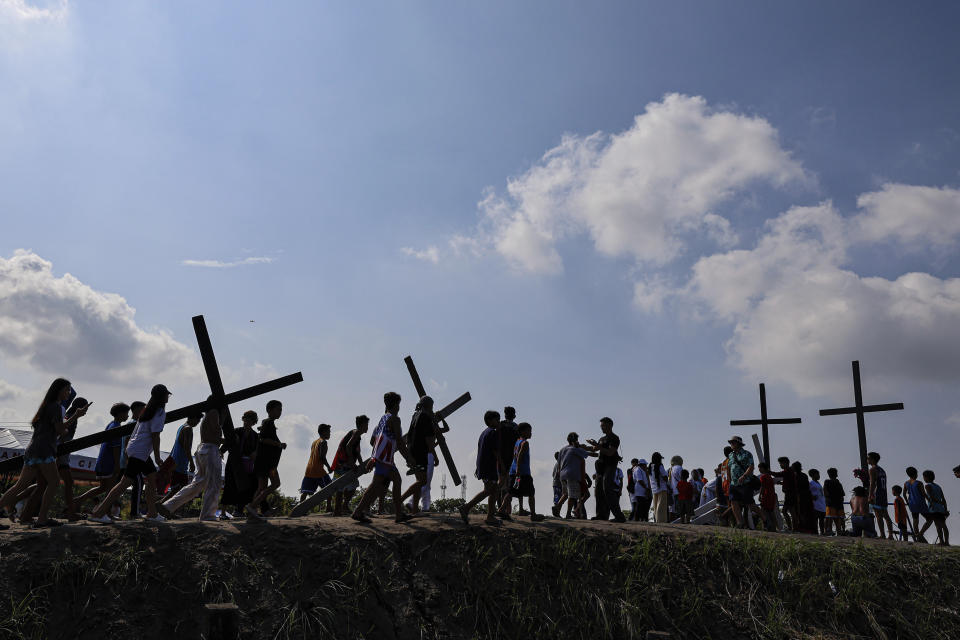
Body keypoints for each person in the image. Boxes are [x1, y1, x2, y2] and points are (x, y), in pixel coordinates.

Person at [0, 379, 88, 528]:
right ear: (59, 390)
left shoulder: (46, 405)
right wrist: (76, 416)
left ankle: (36, 517)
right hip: (45, 449)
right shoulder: (55, 407)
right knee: (53, 482)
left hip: (33, 448)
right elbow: (60, 430)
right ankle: (42, 519)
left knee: (20, 486)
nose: (68, 393)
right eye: (67, 389)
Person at [88, 384, 172, 523]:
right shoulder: (159, 412)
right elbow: (155, 435)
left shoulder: (147, 410)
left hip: (137, 449)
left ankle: (152, 512)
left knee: (151, 478)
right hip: (141, 452)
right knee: (123, 483)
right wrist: (157, 456)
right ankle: (99, 513)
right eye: (167, 395)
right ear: (162, 396)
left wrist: (128, 450)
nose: (168, 397)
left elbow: (136, 431)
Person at [352, 393, 413, 524]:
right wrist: (409, 458)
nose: (399, 407)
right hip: (385, 458)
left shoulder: (383, 418)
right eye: (399, 404)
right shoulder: (395, 420)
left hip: (381, 458)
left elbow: (373, 440)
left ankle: (397, 514)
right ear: (396, 404)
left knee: (389, 482)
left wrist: (374, 456)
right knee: (381, 483)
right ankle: (397, 514)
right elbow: (400, 442)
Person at [159, 408, 226, 521]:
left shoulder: (206, 416)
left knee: (196, 484)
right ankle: (208, 514)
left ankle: (169, 506)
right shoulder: (214, 412)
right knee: (213, 484)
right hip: (209, 450)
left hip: (202, 450)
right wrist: (228, 440)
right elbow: (214, 435)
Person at [75, 403, 130, 510]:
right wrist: (117, 465)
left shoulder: (111, 424)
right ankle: (105, 513)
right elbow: (116, 449)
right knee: (111, 489)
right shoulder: (116, 427)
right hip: (109, 463)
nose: (127, 416)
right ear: (120, 414)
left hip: (103, 461)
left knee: (103, 488)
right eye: (126, 413)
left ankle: (79, 499)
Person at [459, 410, 505, 526]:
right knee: (489, 490)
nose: (498, 422)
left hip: (484, 465)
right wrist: (502, 467)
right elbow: (496, 452)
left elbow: (481, 450)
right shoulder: (492, 433)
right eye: (496, 419)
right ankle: (466, 507)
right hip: (489, 466)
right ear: (489, 420)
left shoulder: (484, 433)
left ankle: (490, 516)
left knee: (493, 490)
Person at [245, 400, 287, 520]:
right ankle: (252, 506)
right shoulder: (268, 423)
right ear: (269, 410)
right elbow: (263, 439)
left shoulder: (268, 423)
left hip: (263, 462)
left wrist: (278, 444)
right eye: (278, 409)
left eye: (281, 409)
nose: (280, 412)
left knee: (262, 487)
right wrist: (279, 444)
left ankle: (251, 512)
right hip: (268, 463)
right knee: (275, 483)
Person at [399, 397, 438, 514]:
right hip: (422, 452)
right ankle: (399, 500)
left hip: (413, 451)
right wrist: (434, 455)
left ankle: (415, 509)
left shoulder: (415, 415)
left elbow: (410, 436)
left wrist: (408, 454)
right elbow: (429, 439)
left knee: (419, 480)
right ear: (430, 405)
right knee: (422, 481)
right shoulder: (426, 417)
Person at [498, 422, 543, 522]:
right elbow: (519, 456)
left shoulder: (517, 442)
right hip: (523, 473)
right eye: (529, 431)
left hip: (513, 471)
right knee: (531, 492)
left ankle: (501, 509)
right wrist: (519, 470)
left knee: (511, 492)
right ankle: (533, 515)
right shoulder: (524, 443)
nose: (531, 433)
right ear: (523, 432)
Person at [220, 410, 259, 519]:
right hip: (233, 463)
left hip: (246, 465)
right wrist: (221, 451)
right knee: (229, 486)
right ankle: (223, 513)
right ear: (243, 419)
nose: (247, 421)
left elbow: (257, 450)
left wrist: (255, 453)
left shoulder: (255, 436)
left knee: (245, 487)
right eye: (246, 419)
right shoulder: (236, 431)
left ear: (254, 422)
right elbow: (228, 442)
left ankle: (239, 511)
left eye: (250, 420)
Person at [586, 417, 626, 522]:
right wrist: (583, 448)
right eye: (601, 426)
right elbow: (595, 450)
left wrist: (597, 446)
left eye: (603, 425)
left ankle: (619, 516)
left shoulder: (614, 438)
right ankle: (601, 515)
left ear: (610, 425)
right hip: (601, 467)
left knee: (607, 489)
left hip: (610, 466)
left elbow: (610, 452)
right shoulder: (601, 439)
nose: (601, 428)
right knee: (598, 491)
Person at [331, 415, 368, 516]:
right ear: (362, 425)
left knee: (348, 486)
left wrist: (362, 465)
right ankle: (339, 509)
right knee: (341, 486)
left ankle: (341, 508)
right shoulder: (355, 433)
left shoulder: (357, 435)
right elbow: (348, 446)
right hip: (342, 464)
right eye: (366, 424)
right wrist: (352, 463)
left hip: (344, 464)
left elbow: (357, 452)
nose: (367, 427)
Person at [554, 433, 597, 519]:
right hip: (572, 474)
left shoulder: (562, 449)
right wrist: (602, 454)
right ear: (575, 440)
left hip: (562, 474)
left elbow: (558, 463)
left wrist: (559, 473)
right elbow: (591, 454)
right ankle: (568, 514)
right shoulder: (574, 449)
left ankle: (558, 506)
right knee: (572, 495)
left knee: (566, 493)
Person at [119, 400, 147, 519]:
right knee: (139, 484)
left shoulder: (133, 423)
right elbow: (127, 442)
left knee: (119, 487)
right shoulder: (134, 423)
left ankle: (105, 511)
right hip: (130, 460)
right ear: (136, 410)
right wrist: (128, 459)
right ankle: (134, 512)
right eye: (143, 409)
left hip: (128, 460)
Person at [299, 424, 333, 509]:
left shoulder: (315, 442)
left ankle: (299, 507)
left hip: (309, 470)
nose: (330, 434)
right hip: (318, 471)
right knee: (330, 488)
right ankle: (328, 507)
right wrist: (329, 467)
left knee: (305, 492)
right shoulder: (323, 442)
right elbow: (322, 457)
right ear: (324, 432)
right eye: (329, 432)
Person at [167, 414, 201, 496]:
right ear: (192, 418)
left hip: (176, 464)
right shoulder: (188, 429)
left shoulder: (181, 427)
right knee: (180, 494)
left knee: (176, 492)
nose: (198, 423)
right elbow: (186, 447)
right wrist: (192, 463)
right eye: (197, 420)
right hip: (180, 466)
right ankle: (161, 506)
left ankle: (161, 505)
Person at [726, 436, 755, 529]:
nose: (731, 444)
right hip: (734, 483)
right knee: (733, 502)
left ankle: (765, 520)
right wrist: (730, 481)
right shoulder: (731, 455)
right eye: (730, 443)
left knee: (750, 504)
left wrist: (744, 476)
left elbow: (751, 466)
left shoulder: (747, 454)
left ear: (738, 443)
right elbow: (729, 468)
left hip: (745, 483)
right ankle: (740, 522)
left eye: (733, 442)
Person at [867, 452, 893, 540]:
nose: (867, 460)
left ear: (873, 459)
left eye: (868, 458)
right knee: (886, 515)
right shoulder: (881, 469)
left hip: (877, 494)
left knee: (878, 515)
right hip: (883, 493)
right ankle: (891, 535)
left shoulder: (872, 469)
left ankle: (882, 534)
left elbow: (872, 483)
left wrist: (870, 495)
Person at [497, 407, 519, 513]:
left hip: (499, 458)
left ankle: (501, 508)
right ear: (514, 415)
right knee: (510, 486)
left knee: (501, 484)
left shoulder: (499, 425)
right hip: (512, 459)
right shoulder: (516, 428)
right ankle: (506, 510)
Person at [904, 467, 932, 543]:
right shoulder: (919, 483)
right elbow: (923, 493)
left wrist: (907, 502)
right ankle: (920, 534)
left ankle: (917, 537)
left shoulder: (906, 483)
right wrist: (930, 500)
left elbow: (904, 494)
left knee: (915, 521)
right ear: (915, 474)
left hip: (912, 504)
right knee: (930, 519)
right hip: (920, 503)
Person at [923, 470, 949, 546]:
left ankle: (941, 541)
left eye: (924, 477)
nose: (924, 479)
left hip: (934, 508)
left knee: (938, 525)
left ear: (927, 477)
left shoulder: (927, 486)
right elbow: (943, 499)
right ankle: (946, 542)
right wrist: (945, 509)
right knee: (943, 525)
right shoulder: (938, 486)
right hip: (941, 509)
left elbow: (931, 497)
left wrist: (937, 503)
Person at [772, 456, 798, 531]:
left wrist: (768, 472)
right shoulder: (790, 471)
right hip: (791, 494)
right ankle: (793, 528)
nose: (780, 465)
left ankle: (792, 528)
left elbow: (777, 474)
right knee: (791, 511)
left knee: (786, 511)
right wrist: (781, 483)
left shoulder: (787, 470)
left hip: (789, 494)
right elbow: (789, 482)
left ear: (785, 463)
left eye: (781, 464)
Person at [792, 461, 816, 534]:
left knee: (800, 513)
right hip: (807, 496)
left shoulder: (795, 476)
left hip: (800, 496)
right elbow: (807, 487)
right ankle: (810, 529)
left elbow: (796, 488)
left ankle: (802, 528)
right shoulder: (804, 475)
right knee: (807, 513)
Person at [823, 467, 846, 535]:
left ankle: (828, 531)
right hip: (837, 503)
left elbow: (825, 492)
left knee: (829, 518)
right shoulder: (838, 483)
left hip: (831, 503)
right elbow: (842, 495)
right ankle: (839, 531)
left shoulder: (827, 482)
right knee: (839, 518)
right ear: (836, 474)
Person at [757, 461, 779, 532]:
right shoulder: (769, 477)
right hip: (771, 496)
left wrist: (760, 495)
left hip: (766, 496)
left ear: (763, 468)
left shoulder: (763, 477)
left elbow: (763, 487)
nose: (759, 470)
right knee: (771, 512)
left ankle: (766, 527)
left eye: (760, 468)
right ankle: (775, 527)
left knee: (763, 512)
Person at [648, 452, 669, 523]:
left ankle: (657, 520)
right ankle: (661, 520)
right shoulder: (660, 466)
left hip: (654, 488)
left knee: (656, 505)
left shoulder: (650, 466)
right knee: (661, 506)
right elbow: (665, 477)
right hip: (662, 488)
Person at [809, 469, 826, 535]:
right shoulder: (811, 483)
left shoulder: (818, 483)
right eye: (817, 474)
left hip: (821, 503)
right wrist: (812, 496)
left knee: (822, 520)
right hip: (815, 504)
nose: (819, 476)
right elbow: (808, 492)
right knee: (816, 519)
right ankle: (815, 532)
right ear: (813, 475)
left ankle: (822, 532)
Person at [668, 455, 684, 519]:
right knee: (679, 507)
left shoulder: (671, 469)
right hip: (679, 490)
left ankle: (672, 521)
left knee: (672, 508)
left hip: (673, 490)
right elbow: (682, 478)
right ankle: (679, 520)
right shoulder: (679, 468)